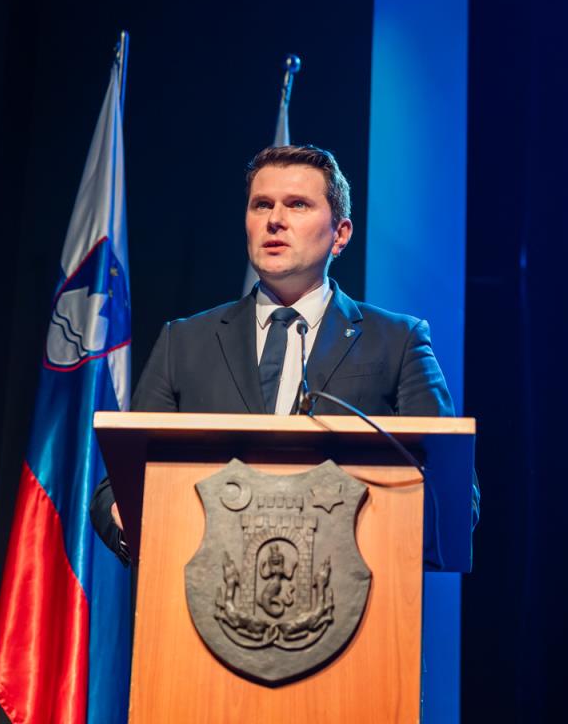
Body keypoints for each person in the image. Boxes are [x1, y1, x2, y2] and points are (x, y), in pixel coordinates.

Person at [89, 145, 455, 562]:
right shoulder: (184, 342)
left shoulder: (397, 340)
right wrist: (130, 519)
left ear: (340, 234)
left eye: (297, 204)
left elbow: (449, 491)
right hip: (202, 583)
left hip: (351, 584)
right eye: (261, 205)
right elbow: (115, 489)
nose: (274, 220)